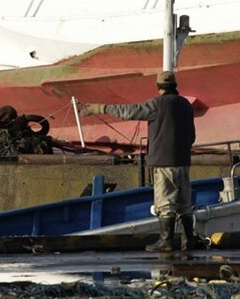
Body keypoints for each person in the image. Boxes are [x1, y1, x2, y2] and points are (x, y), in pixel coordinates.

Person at [80, 70, 197, 252]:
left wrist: (99, 108)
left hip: (164, 162)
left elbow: (129, 112)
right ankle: (189, 241)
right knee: (184, 203)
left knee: (165, 203)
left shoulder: (157, 104)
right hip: (183, 161)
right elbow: (192, 135)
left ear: (158, 87)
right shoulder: (185, 105)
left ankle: (165, 242)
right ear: (175, 85)